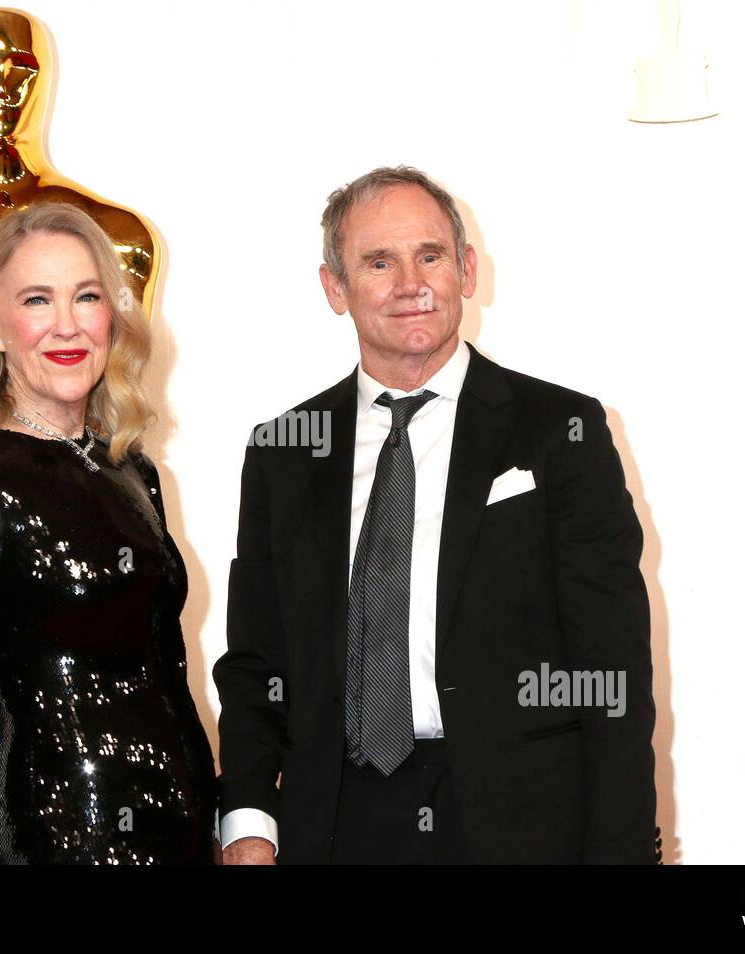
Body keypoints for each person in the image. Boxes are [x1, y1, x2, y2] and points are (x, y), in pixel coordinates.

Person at [213, 166, 657, 864]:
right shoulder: (284, 451)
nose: (410, 282)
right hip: (332, 825)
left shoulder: (559, 431)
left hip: (520, 827)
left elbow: (613, 669)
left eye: (430, 255)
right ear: (335, 288)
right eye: (378, 262)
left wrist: (627, 852)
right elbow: (255, 660)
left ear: (467, 269)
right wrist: (245, 822)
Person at [0, 201, 218, 864]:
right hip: (67, 837)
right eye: (38, 300)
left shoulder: (133, 470)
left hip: (184, 828)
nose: (68, 325)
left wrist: (217, 823)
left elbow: (168, 675)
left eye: (88, 297)